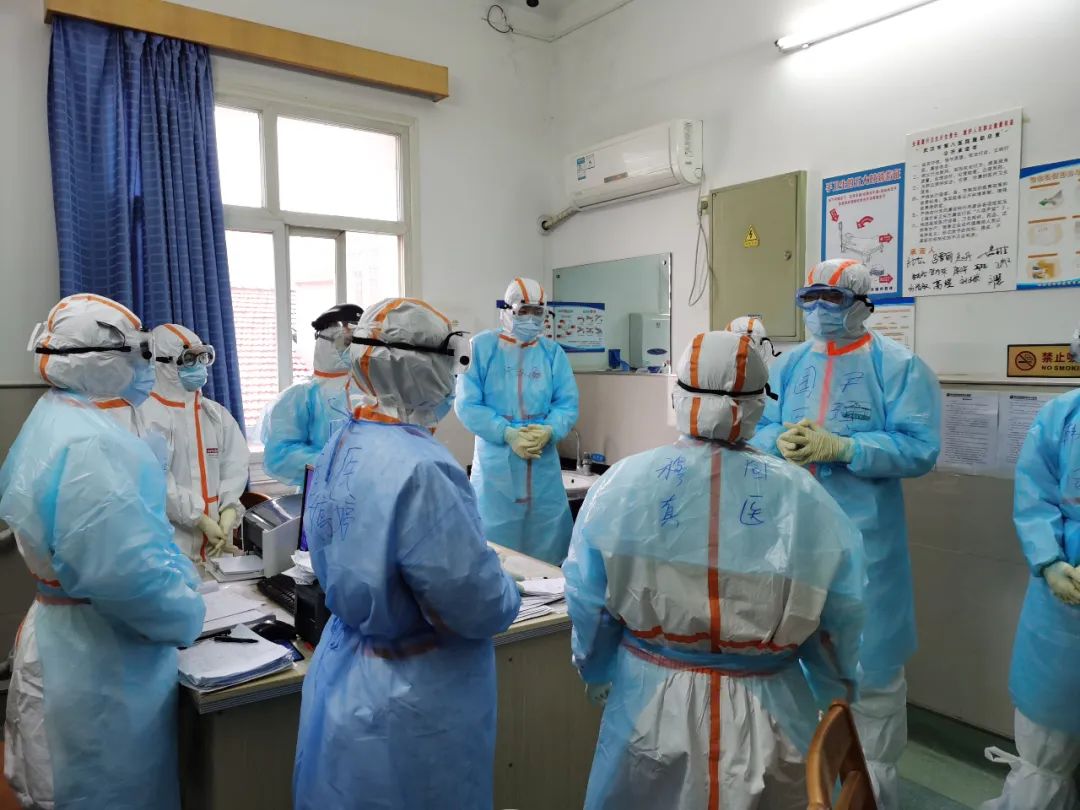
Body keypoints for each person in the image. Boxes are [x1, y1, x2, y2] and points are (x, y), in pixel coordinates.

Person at [564, 329, 865, 809]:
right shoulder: (805, 498)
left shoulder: (622, 485)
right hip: (771, 710)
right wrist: (836, 691)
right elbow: (838, 620)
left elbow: (589, 601)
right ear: (759, 405)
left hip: (650, 705)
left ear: (679, 396)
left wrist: (596, 669)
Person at [292, 298, 521, 810]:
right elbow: (476, 604)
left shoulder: (342, 441)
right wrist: (507, 588)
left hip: (343, 670)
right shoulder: (424, 468)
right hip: (411, 699)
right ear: (425, 368)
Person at [1, 294, 206, 810]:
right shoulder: (93, 444)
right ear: (101, 359)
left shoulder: (56, 416)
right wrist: (187, 610)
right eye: (139, 351)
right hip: (96, 664)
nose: (145, 364)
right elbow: (128, 576)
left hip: (65, 637)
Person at [751, 258, 941, 809]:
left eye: (830, 299)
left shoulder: (897, 367)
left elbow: (920, 448)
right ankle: (804, 789)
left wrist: (846, 448)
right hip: (793, 540)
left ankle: (869, 792)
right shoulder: (788, 365)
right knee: (794, 662)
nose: (817, 310)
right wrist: (776, 441)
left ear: (862, 305)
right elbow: (759, 425)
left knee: (871, 675)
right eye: (808, 298)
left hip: (867, 547)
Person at [981, 328, 1080, 809]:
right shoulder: (1062, 417)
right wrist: (1050, 561)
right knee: (1049, 730)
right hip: (1063, 598)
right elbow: (1035, 497)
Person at [456, 277, 579, 564]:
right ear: (507, 310)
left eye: (538, 312)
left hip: (542, 465)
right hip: (496, 467)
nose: (531, 319)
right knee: (495, 552)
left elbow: (567, 403)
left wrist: (550, 429)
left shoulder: (552, 353)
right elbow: (467, 404)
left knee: (549, 554)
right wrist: (506, 433)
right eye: (524, 311)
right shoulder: (481, 348)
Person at [139, 324, 249, 561]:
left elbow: (235, 466)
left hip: (218, 547)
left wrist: (229, 509)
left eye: (202, 357)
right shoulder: (145, 418)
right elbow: (156, 481)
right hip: (172, 548)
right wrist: (199, 518)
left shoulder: (215, 414)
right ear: (161, 363)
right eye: (188, 359)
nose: (198, 366)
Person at [261, 303, 363, 487]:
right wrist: (334, 463)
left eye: (359, 342)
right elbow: (280, 455)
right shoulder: (301, 396)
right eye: (347, 342)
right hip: (320, 491)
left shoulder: (373, 389)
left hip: (369, 490)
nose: (353, 350)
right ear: (324, 342)